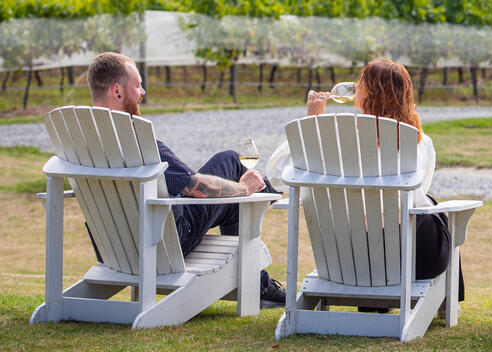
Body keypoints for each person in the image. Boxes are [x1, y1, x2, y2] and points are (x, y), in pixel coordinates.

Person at [86, 52, 286, 307]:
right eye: (137, 85)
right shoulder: (137, 140)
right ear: (117, 91)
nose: (143, 91)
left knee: (232, 184)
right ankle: (270, 194)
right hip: (164, 241)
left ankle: (259, 281)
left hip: (113, 247)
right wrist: (243, 189)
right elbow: (196, 188)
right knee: (230, 162)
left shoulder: (81, 140)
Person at [306, 57, 462, 303]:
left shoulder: (338, 142)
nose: (356, 87)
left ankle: (374, 302)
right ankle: (448, 301)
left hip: (351, 256)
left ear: (372, 93)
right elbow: (417, 192)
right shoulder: (420, 142)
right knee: (431, 206)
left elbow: (284, 172)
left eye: (361, 82)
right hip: (413, 257)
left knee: (420, 206)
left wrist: (313, 122)